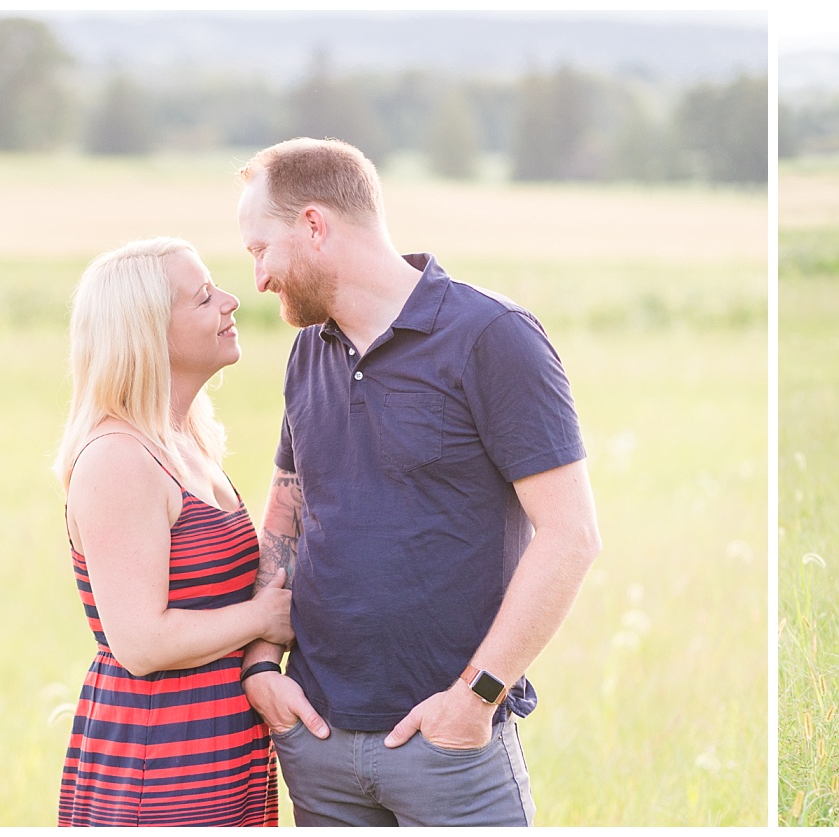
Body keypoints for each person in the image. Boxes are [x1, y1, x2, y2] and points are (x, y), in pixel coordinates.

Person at [231, 137, 601, 827]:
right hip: (317, 743)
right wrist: (260, 665)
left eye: (260, 250)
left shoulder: (492, 336)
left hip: (451, 750)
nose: (257, 278)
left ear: (314, 225)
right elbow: (286, 514)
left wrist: (475, 697)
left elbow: (571, 534)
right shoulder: (308, 351)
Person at [51, 237, 293, 826]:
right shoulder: (119, 459)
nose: (232, 302)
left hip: (220, 747)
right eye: (204, 297)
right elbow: (140, 643)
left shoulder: (186, 442)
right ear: (147, 333)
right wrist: (265, 619)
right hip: (157, 763)